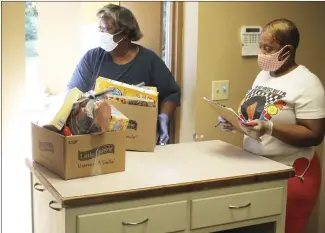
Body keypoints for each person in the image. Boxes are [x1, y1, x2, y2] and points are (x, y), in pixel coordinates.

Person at [218, 19, 325, 233]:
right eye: (261, 46)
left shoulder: (308, 83)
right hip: (259, 170)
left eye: (269, 48)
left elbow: (315, 134)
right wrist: (235, 122)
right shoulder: (263, 76)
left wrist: (270, 128)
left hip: (292, 174)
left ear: (287, 50)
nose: (262, 53)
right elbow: (255, 115)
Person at [67, 4, 180, 145]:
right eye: (100, 29)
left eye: (107, 29)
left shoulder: (149, 60)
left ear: (125, 33)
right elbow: (73, 93)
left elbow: (171, 93)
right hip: (98, 140)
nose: (103, 35)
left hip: (138, 138)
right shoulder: (92, 58)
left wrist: (164, 116)